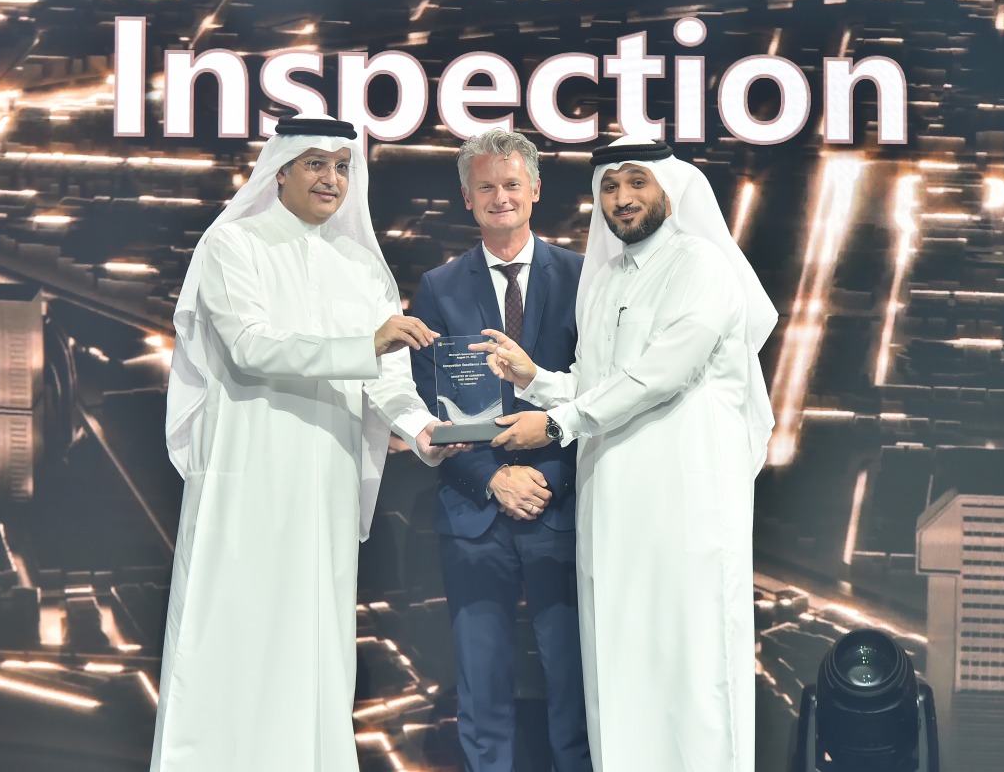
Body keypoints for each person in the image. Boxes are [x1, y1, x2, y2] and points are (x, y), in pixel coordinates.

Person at [154, 114, 464, 772]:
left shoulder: (361, 266)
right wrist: (367, 343)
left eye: (343, 166)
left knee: (312, 639)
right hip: (248, 467)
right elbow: (250, 347)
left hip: (324, 474)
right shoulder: (234, 246)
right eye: (317, 164)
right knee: (232, 631)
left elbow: (388, 378)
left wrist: (425, 430)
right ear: (282, 171)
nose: (331, 179)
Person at [474, 137, 778, 772]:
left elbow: (661, 375)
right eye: (610, 187)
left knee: (690, 671)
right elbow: (599, 380)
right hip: (613, 507)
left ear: (669, 190)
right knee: (619, 666)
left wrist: (555, 425)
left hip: (686, 502)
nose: (622, 199)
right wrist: (535, 379)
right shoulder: (605, 275)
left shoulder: (701, 265)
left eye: (636, 183)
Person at [410, 129, 590, 772]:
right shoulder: (438, 286)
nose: (500, 197)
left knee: (575, 687)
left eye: (512, 184)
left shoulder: (582, 277)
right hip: (476, 516)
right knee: (481, 688)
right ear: (467, 197)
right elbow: (426, 408)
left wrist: (547, 482)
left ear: (536, 190)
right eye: (486, 186)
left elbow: (598, 395)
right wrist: (494, 481)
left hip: (561, 507)